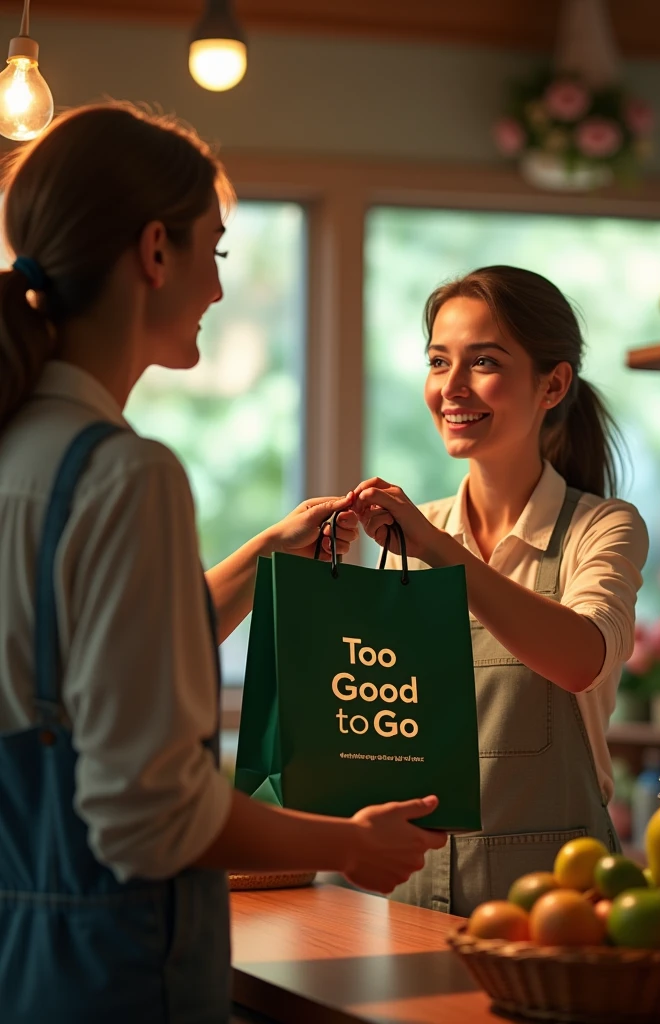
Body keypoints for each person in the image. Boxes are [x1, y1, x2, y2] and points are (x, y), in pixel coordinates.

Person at [0, 103, 447, 1024]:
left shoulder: (19, 454)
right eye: (217, 251)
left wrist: (263, 554)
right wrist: (349, 845)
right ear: (155, 252)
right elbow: (147, 815)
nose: (215, 287)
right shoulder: (128, 475)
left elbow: (81, 672)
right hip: (114, 976)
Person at [353, 265, 649, 917]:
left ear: (553, 384)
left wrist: (439, 551)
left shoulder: (602, 528)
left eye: (483, 362)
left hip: (557, 903)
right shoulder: (412, 533)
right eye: (438, 361)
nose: (451, 388)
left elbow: (580, 658)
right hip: (409, 893)